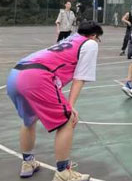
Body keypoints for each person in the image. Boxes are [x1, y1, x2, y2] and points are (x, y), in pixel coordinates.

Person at [7, 21, 103, 181]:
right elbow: (80, 78)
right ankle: (63, 172)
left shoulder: (70, 39)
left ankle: (28, 163)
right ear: (94, 36)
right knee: (67, 120)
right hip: (36, 77)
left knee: (29, 120)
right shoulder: (90, 44)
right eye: (98, 38)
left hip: (16, 74)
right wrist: (70, 107)